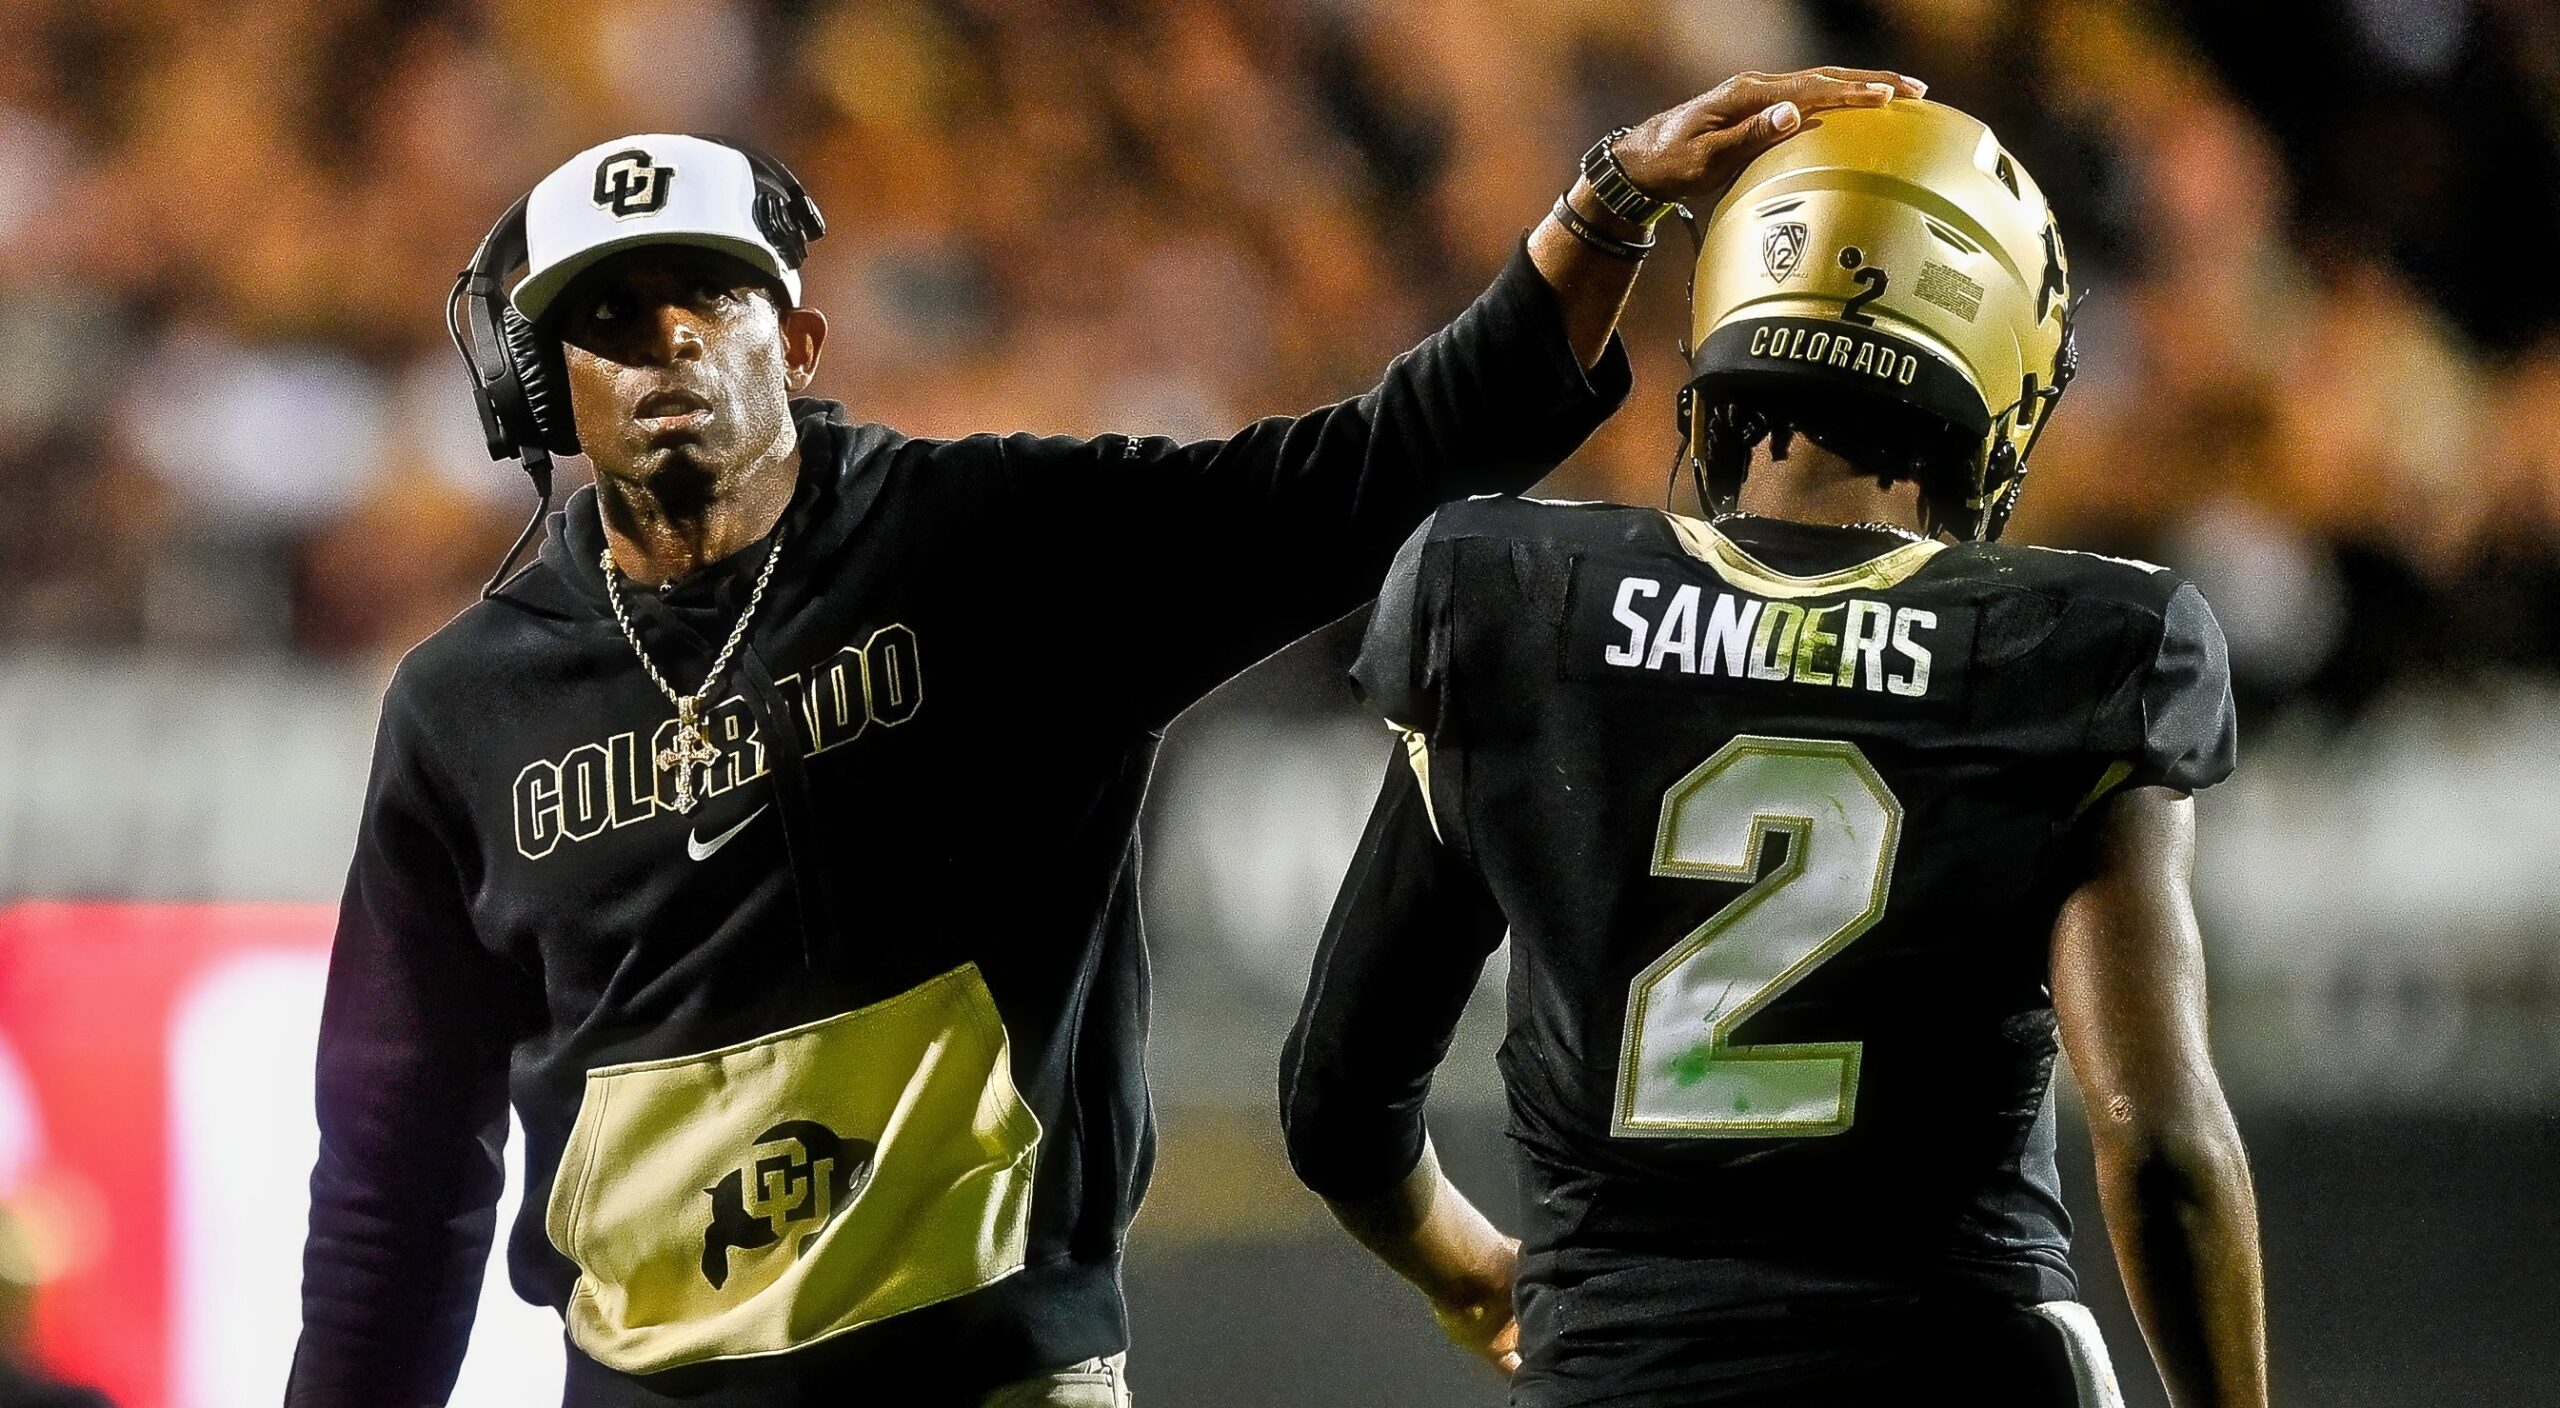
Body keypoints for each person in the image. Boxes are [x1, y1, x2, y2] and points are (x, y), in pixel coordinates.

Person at [287, 70, 1927, 1408]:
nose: (668, 352)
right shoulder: (460, 711)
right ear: (533, 388)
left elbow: (1364, 471)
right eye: (612, 319)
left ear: (797, 339)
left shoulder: (992, 548)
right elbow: (396, 1174)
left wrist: (1603, 207)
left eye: (709, 300)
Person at [1280, 97, 2270, 1407]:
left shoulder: (1508, 600)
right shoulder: (2080, 645)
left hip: (1616, 1373)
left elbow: (1339, 1105)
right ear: (2003, 362)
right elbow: (2163, 1156)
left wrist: (1467, 1268)